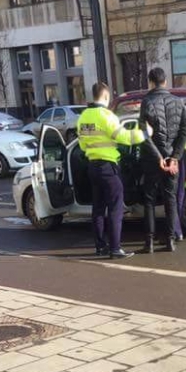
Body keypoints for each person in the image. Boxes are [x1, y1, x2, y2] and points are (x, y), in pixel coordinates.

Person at [77, 82, 150, 259]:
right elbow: (123, 137)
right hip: (108, 167)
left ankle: (100, 246)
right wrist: (145, 134)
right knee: (116, 208)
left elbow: (81, 144)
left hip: (92, 166)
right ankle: (115, 248)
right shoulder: (106, 115)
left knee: (98, 209)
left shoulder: (83, 117)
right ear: (106, 96)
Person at [139, 68, 186, 253]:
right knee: (170, 199)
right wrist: (175, 157)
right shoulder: (178, 103)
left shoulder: (147, 102)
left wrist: (158, 157)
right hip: (171, 160)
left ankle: (150, 242)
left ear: (150, 82)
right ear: (165, 82)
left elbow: (143, 134)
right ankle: (170, 240)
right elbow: (185, 132)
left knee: (150, 201)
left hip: (152, 160)